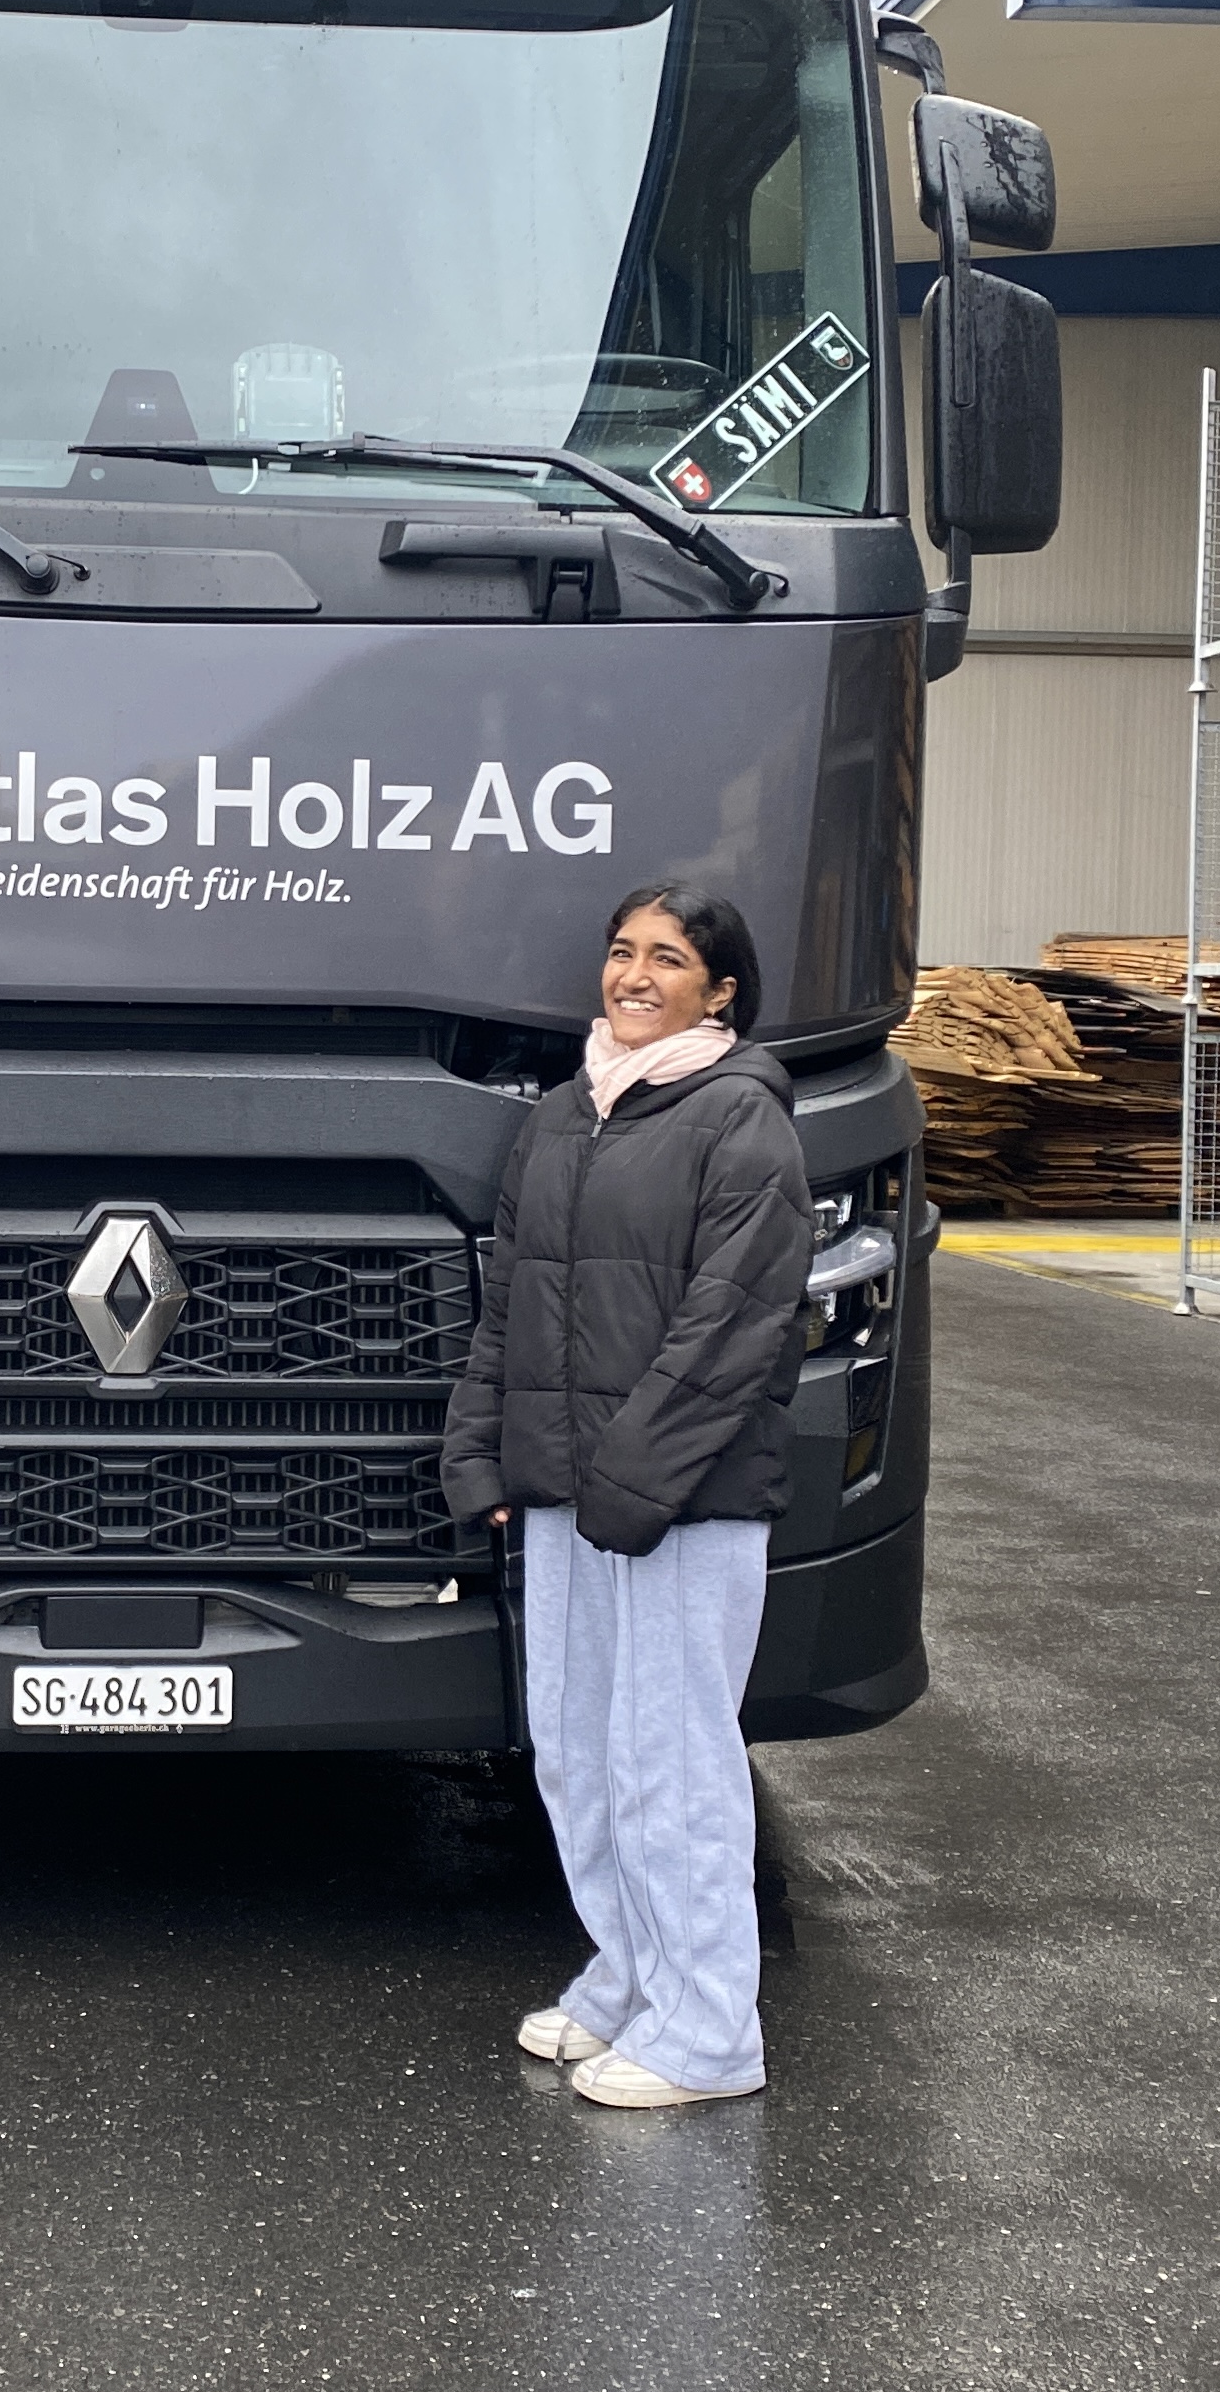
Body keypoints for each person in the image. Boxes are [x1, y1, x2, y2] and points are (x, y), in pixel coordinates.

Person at [441, 884, 810, 2109]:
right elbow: (511, 1301)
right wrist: (482, 1453)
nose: (634, 974)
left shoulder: (740, 1115)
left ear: (721, 991)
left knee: (672, 1759)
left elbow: (736, 1323)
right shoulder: (566, 1113)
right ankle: (633, 1974)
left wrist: (631, 1480)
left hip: (678, 1503)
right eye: (619, 951)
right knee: (580, 1749)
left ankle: (707, 2029)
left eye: (667, 957)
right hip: (567, 1493)